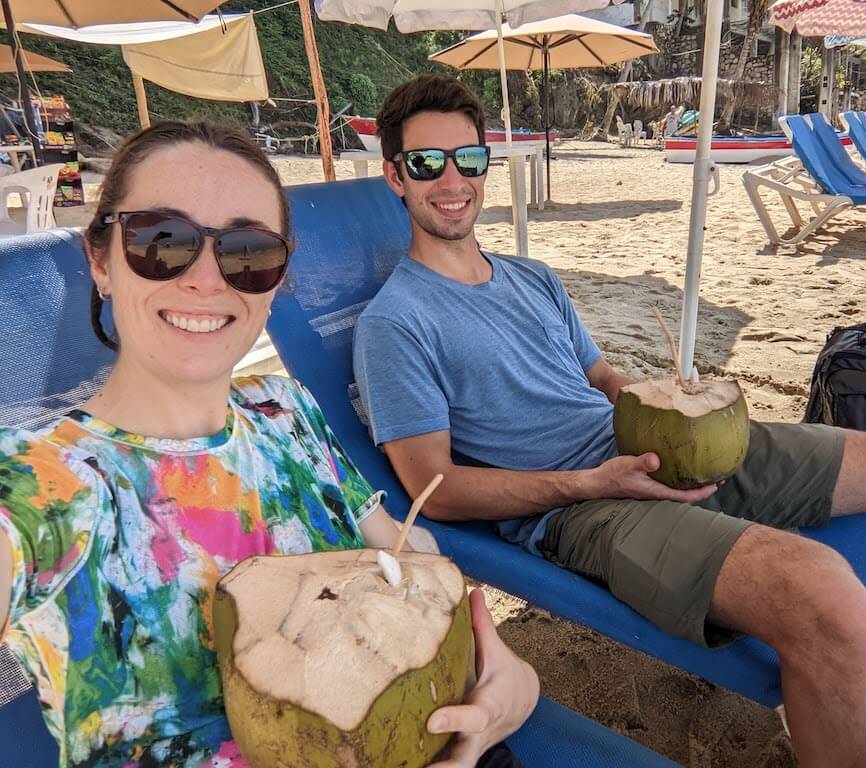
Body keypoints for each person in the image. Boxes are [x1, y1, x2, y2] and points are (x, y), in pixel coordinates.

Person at [353, 74, 866, 768]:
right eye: (428, 164)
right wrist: (590, 482)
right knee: (820, 590)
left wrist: (663, 402)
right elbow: (436, 490)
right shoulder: (397, 322)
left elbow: (603, 380)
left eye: (469, 158)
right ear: (396, 176)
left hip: (656, 452)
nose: (453, 180)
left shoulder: (532, 277)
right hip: (584, 509)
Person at [0, 121, 538, 768]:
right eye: (160, 241)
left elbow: (404, 556)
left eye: (248, 252)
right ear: (101, 260)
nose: (206, 278)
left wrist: (507, 682)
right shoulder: (37, 485)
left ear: (279, 278)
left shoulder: (284, 412)